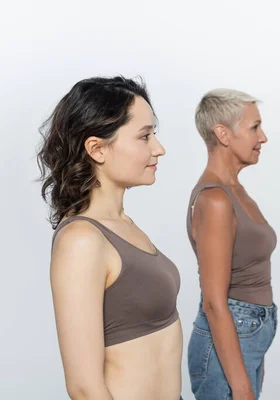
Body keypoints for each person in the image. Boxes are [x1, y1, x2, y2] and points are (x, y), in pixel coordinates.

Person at [37, 76, 182, 400]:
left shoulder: (123, 225)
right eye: (144, 136)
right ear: (97, 148)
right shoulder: (81, 241)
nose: (159, 148)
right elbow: (85, 388)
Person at [186, 89, 277, 400]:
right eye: (254, 127)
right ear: (223, 134)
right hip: (228, 338)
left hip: (246, 336)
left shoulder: (235, 190)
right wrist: (241, 389)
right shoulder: (215, 199)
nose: (262, 137)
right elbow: (213, 301)